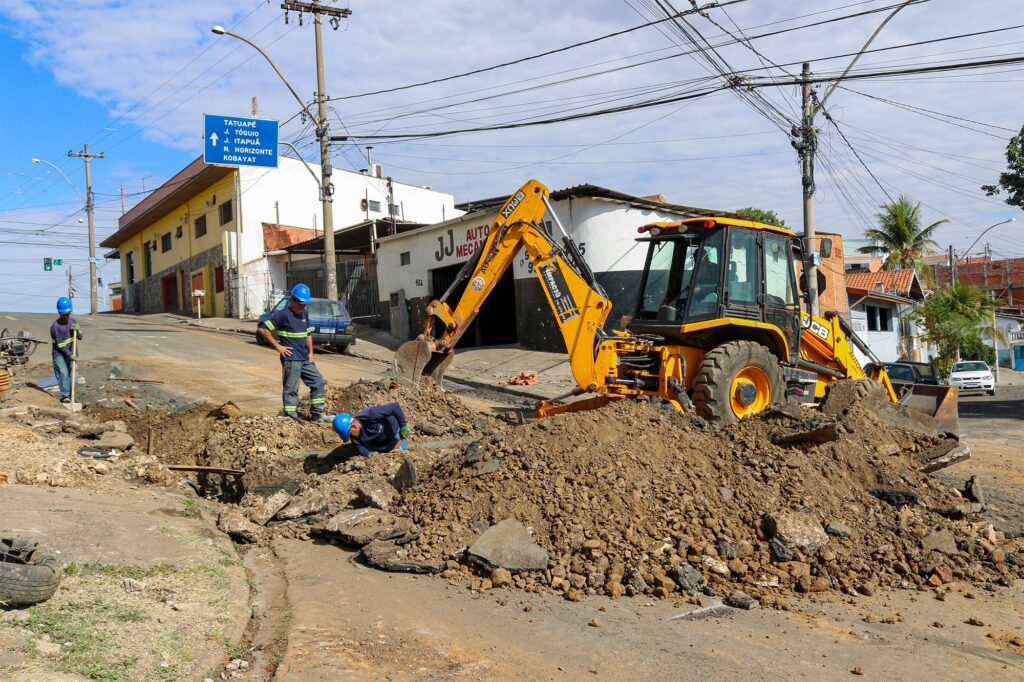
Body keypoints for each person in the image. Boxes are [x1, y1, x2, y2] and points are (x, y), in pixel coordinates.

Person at [258, 283, 326, 421]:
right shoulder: (282, 315)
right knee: (291, 389)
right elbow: (263, 329)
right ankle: (290, 417)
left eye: (305, 304)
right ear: (292, 300)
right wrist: (278, 347)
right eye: (300, 304)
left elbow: (308, 335)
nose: (303, 307)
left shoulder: (304, 314)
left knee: (318, 382)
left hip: (305, 358)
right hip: (291, 358)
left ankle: (317, 416)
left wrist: (311, 353)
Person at [332, 403, 410, 457]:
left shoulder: (371, 414)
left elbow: (395, 407)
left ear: (354, 426)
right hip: (381, 447)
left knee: (401, 457)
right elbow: (360, 447)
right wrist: (369, 455)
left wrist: (403, 426)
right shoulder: (355, 438)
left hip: (396, 436)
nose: (351, 437)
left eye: (350, 433)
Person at [50, 297, 82, 404]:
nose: (67, 316)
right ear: (59, 313)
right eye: (64, 314)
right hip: (59, 354)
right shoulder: (55, 327)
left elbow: (80, 337)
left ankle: (72, 395)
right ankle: (65, 397)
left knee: (74, 374)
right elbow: (61, 345)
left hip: (71, 352)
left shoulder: (73, 322)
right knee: (63, 373)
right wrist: (69, 355)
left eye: (68, 313)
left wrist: (79, 331)